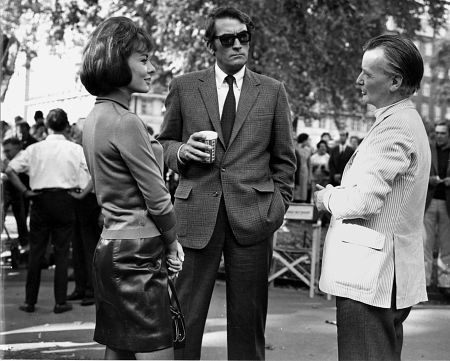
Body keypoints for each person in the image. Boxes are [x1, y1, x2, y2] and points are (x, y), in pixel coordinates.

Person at [157, 6, 296, 360]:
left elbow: (284, 161)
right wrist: (180, 152)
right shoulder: (185, 87)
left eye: (243, 38)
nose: (237, 45)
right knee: (184, 317)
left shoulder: (272, 91)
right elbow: (162, 144)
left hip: (254, 217)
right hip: (196, 214)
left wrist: (275, 209)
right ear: (211, 45)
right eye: (228, 39)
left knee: (248, 324)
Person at [314, 34, 431, 360]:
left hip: (370, 278)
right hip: (382, 276)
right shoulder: (402, 121)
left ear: (395, 81)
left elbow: (362, 201)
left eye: (368, 73)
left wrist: (327, 199)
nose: (358, 80)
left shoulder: (395, 127)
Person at [80, 16, 183, 360]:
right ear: (115, 61)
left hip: (110, 247)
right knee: (156, 351)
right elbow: (157, 197)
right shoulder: (127, 122)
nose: (151, 68)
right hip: (139, 252)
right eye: (143, 59)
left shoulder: (94, 119)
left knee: (120, 348)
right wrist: (173, 243)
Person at [5, 108, 86, 314]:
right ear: (67, 126)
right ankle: (60, 301)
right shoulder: (75, 149)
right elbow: (93, 171)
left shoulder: (34, 149)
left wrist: (25, 191)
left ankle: (29, 300)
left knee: (36, 251)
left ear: (47, 127)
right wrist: (82, 194)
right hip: (65, 198)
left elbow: (10, 169)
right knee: (61, 252)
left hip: (40, 199)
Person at [424, 121, 450, 299]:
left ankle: (445, 284)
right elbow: (418, 171)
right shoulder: (427, 149)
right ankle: (424, 283)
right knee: (425, 244)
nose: (439, 135)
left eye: (443, 133)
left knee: (446, 246)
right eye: (437, 133)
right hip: (429, 201)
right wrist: (429, 179)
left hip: (448, 203)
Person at [2, 137, 30, 250]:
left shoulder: (23, 156)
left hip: (21, 192)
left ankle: (25, 244)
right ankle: (24, 244)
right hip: (13, 191)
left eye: (8, 151)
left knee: (21, 219)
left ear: (17, 147)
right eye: (5, 151)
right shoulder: (11, 159)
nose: (6, 154)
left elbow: (9, 172)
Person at [293, 133, 312, 202]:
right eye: (307, 140)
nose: (308, 141)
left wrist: (310, 176)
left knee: (303, 188)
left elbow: (309, 164)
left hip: (305, 171)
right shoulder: (295, 147)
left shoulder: (308, 150)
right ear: (304, 140)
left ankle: (302, 201)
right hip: (296, 170)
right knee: (296, 187)